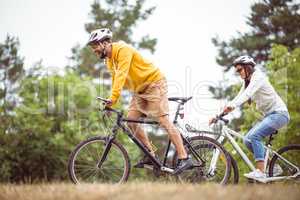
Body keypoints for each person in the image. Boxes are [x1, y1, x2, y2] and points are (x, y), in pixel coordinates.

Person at [87, 28, 192, 174]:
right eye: (93, 47)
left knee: (163, 120)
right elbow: (115, 79)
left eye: (95, 45)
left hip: (154, 83)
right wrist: (112, 101)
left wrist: (114, 97)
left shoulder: (123, 50)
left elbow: (122, 75)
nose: (94, 50)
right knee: (131, 120)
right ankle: (150, 154)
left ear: (106, 42)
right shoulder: (109, 61)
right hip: (139, 91)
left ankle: (184, 157)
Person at [209, 55, 290, 181]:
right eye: (237, 71)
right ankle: (273, 167)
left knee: (254, 136)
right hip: (270, 116)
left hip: (279, 114)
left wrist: (231, 107)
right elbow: (237, 97)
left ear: (248, 67)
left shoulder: (258, 77)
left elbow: (246, 95)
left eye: (240, 70)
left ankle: (260, 171)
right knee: (247, 140)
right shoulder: (248, 81)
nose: (239, 73)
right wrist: (218, 115)